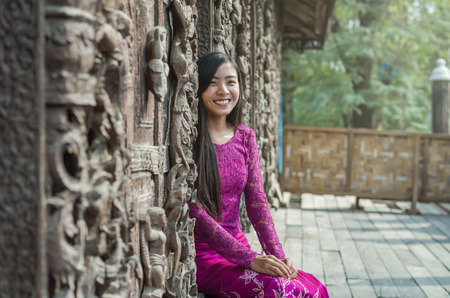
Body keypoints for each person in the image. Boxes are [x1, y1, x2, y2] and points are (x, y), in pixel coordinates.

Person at [188, 52, 329, 298]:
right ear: (199, 89)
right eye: (212, 82)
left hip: (238, 246)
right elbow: (193, 209)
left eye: (231, 82)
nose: (223, 90)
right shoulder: (190, 140)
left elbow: (257, 202)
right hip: (203, 254)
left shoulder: (245, 137)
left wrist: (276, 256)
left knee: (313, 287)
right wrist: (249, 258)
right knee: (281, 290)